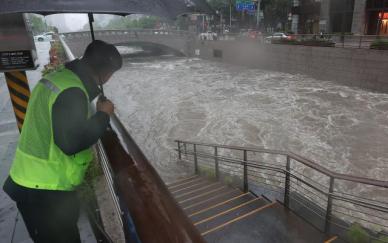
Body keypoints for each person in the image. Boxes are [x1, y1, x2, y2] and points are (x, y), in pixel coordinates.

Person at [2, 40, 122, 243]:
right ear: (106, 73)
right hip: (46, 192)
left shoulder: (59, 78)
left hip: (31, 182)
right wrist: (103, 115)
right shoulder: (72, 91)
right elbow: (70, 142)